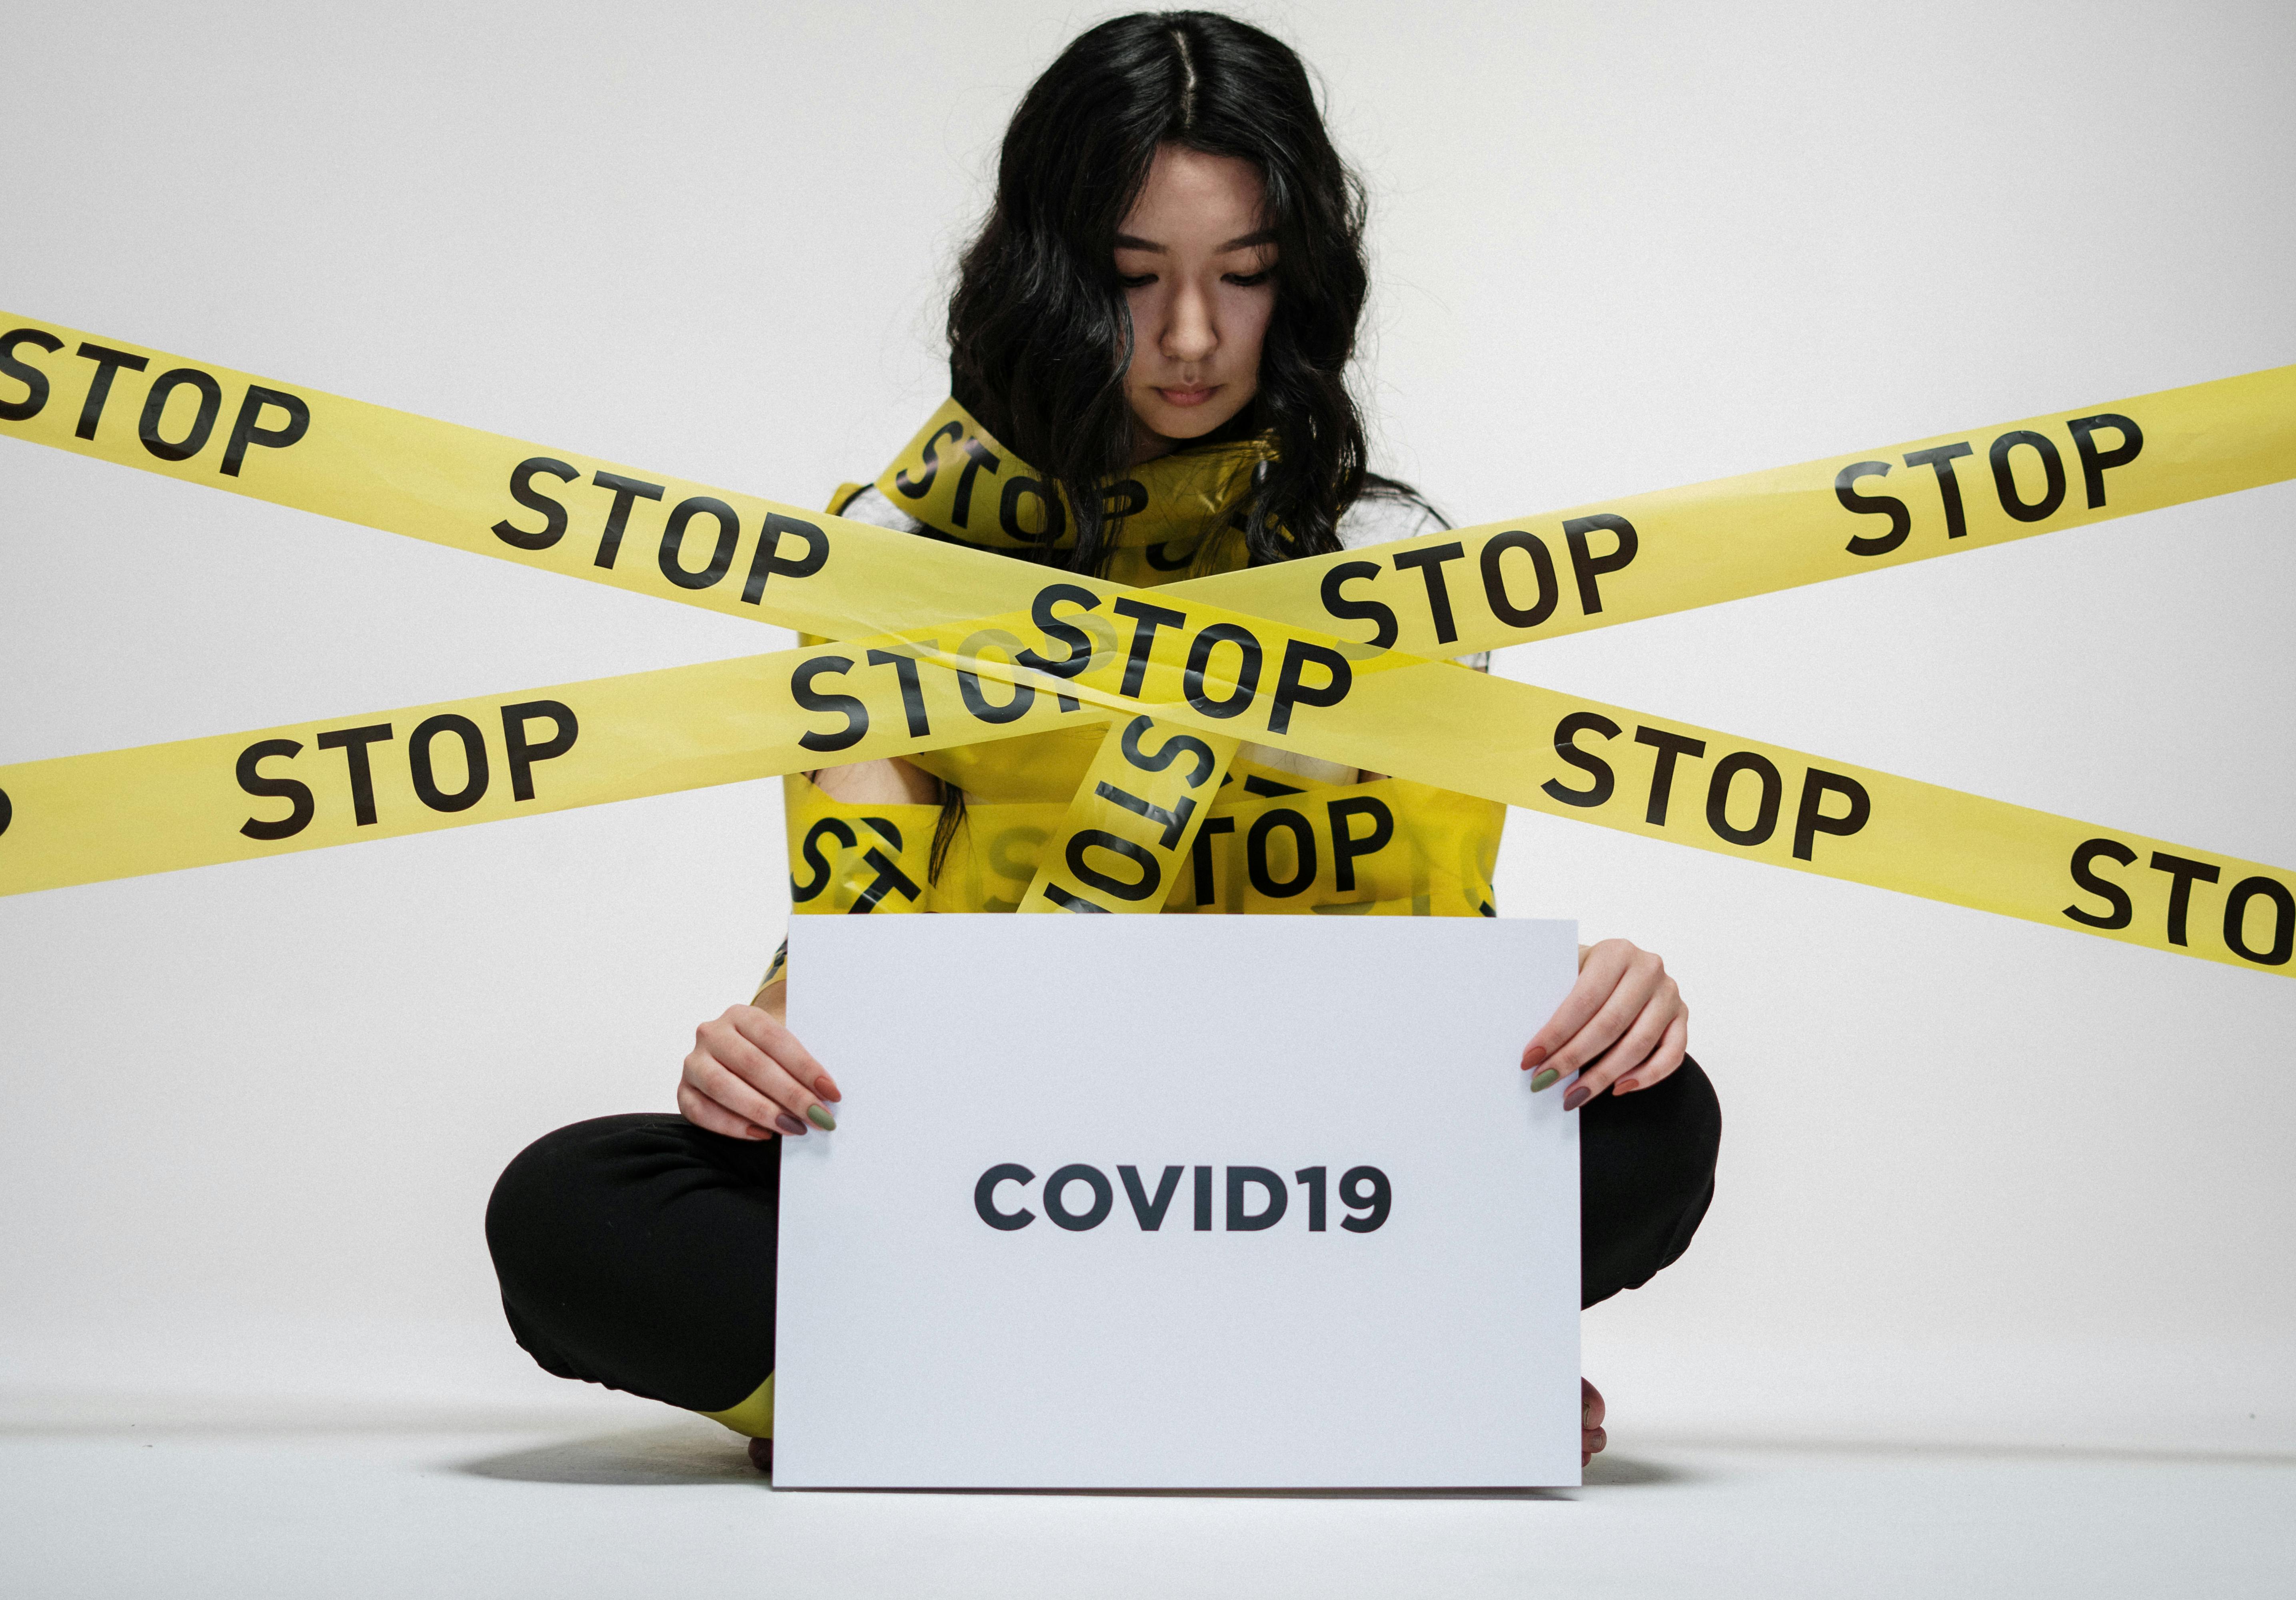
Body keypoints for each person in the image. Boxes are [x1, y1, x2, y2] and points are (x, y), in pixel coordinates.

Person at [486, 10, 1718, 1476]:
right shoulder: (894, 561)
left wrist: (1593, 1006)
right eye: (1135, 283)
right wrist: (758, 1051)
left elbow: (1424, 950)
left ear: (1301, 287)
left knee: (1661, 1122)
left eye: (1243, 280)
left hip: (1308, 1174)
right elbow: (865, 945)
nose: (1192, 339)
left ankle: (974, 1390)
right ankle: (1323, 1384)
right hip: (990, 1177)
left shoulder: (1392, 562)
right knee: (569, 1211)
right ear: (1051, 282)